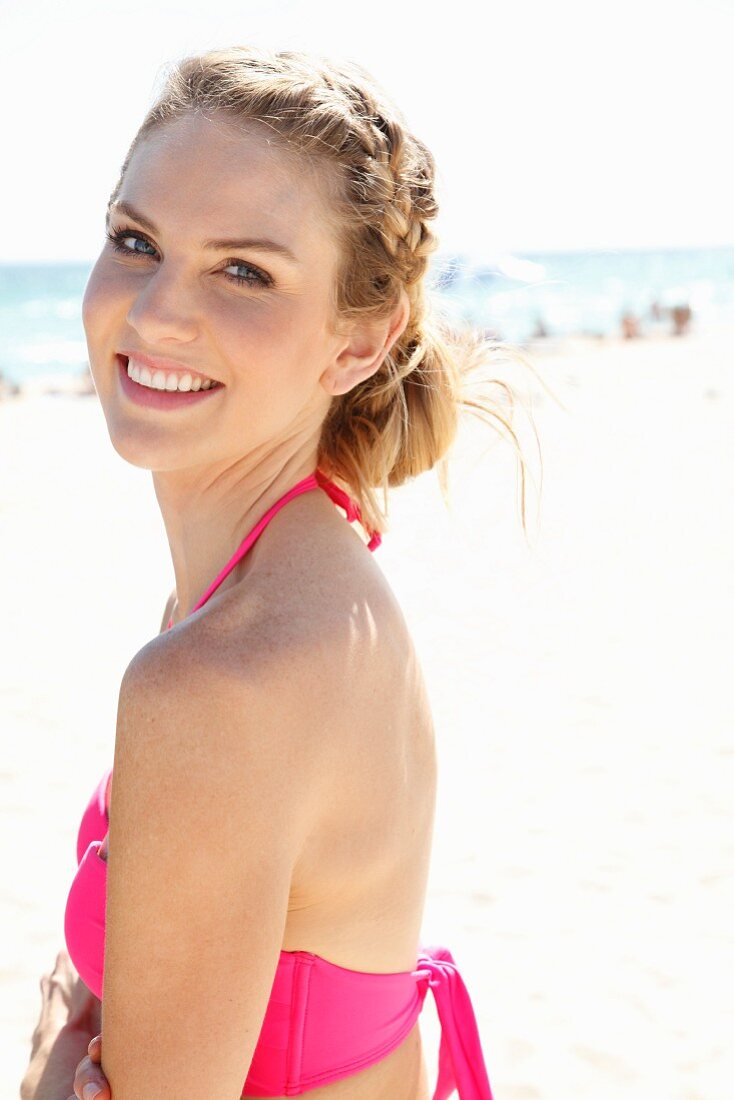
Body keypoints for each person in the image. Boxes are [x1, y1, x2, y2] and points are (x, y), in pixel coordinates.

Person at [23, 45, 539, 1100]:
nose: (158, 310)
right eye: (135, 241)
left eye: (244, 270)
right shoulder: (312, 561)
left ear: (358, 339)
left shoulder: (223, 670)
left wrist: (45, 1059)